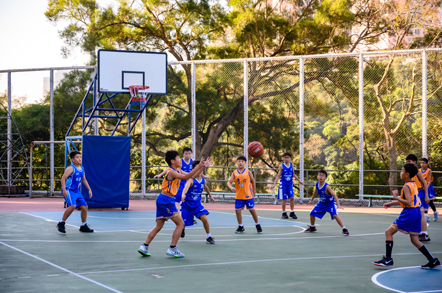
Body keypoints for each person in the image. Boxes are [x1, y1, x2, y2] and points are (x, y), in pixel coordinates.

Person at [138, 151, 210, 258]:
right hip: (167, 200)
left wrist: (201, 167)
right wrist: (199, 166)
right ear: (172, 161)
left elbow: (192, 176)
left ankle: (144, 246)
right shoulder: (171, 172)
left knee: (159, 226)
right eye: (178, 158)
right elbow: (186, 178)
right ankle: (172, 248)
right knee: (180, 224)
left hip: (163, 199)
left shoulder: (177, 170)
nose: (180, 160)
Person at [373, 163, 440, 269]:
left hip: (409, 213)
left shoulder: (406, 186)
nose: (400, 173)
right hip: (417, 212)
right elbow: (411, 200)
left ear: (407, 174)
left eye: (402, 171)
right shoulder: (413, 184)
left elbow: (408, 202)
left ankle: (388, 259)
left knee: (388, 232)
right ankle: (433, 260)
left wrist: (395, 197)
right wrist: (392, 203)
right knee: (415, 240)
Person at [56, 151, 93, 233]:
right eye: (77, 157)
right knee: (72, 205)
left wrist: (89, 189)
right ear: (72, 159)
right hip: (69, 190)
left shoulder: (82, 168)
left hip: (76, 191)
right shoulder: (70, 168)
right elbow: (63, 178)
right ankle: (61, 223)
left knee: (84, 207)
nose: (79, 159)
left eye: (80, 157)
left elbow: (84, 179)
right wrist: (64, 190)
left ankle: (83, 225)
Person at [180, 160, 216, 244]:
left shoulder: (203, 180)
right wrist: (183, 194)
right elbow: (186, 187)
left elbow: (206, 187)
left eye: (200, 167)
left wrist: (210, 196)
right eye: (197, 167)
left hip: (197, 205)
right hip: (187, 205)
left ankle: (208, 236)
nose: (199, 169)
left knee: (204, 218)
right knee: (181, 223)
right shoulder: (191, 179)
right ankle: (182, 228)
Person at [305, 170, 349, 235]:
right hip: (322, 203)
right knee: (311, 213)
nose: (321, 176)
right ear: (317, 176)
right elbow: (315, 192)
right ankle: (312, 227)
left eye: (323, 175)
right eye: (319, 175)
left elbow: (334, 195)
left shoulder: (327, 186)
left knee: (335, 215)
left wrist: (338, 204)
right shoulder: (317, 184)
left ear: (325, 178)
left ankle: (344, 228)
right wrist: (311, 200)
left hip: (330, 203)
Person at [227, 155, 262, 234]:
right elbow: (229, 182)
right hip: (239, 196)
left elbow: (253, 181)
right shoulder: (234, 173)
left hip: (248, 195)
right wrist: (231, 187)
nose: (240, 163)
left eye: (242, 161)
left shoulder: (248, 172)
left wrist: (254, 192)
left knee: (252, 210)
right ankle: (241, 226)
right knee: (237, 211)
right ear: (236, 162)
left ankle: (257, 224)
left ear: (245, 163)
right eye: (239, 161)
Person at [270, 152, 304, 219]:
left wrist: (299, 180)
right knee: (284, 199)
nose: (286, 158)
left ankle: (292, 212)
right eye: (285, 157)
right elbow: (278, 175)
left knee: (292, 198)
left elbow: (293, 174)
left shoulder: (292, 165)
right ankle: (284, 212)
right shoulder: (281, 166)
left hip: (290, 183)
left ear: (290, 158)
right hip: (283, 183)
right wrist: (274, 184)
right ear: (283, 158)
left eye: (287, 157)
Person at [405, 154, 430, 241]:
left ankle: (424, 234)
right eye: (407, 161)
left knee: (421, 214)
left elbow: (425, 184)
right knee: (418, 214)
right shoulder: (408, 171)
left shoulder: (417, 171)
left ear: (414, 162)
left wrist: (426, 196)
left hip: (419, 194)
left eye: (410, 161)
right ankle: (420, 232)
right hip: (413, 194)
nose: (408, 163)